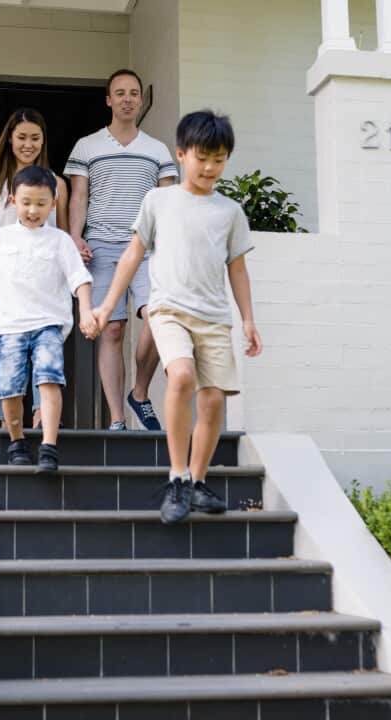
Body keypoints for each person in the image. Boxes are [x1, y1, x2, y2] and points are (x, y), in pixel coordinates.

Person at [91, 110, 262, 524]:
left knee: (213, 399)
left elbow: (237, 269)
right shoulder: (158, 200)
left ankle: (197, 483)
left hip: (214, 318)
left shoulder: (230, 212)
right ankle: (176, 475)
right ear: (182, 155)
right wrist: (105, 304)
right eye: (202, 157)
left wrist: (248, 320)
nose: (210, 167)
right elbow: (133, 254)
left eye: (219, 159)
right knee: (181, 376)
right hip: (168, 310)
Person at [65, 69, 177, 432]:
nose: (127, 99)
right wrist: (74, 236)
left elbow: (169, 203)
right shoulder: (87, 146)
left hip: (147, 248)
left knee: (159, 318)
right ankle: (117, 420)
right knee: (111, 331)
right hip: (100, 247)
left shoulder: (157, 150)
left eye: (133, 93)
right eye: (120, 93)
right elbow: (79, 195)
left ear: (141, 100)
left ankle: (140, 394)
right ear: (108, 100)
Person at [0, 166, 97, 472]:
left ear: (53, 204)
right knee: (10, 388)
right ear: (13, 200)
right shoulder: (2, 238)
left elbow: (80, 278)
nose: (32, 210)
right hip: (11, 325)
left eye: (41, 204)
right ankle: (17, 441)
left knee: (49, 379)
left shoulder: (60, 241)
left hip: (49, 324)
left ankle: (49, 446)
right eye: (26, 202)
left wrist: (86, 310)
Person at [0, 108, 68, 429]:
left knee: (44, 351)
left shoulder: (57, 185)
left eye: (35, 138)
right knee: (6, 352)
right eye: (22, 137)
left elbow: (62, 233)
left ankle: (41, 415)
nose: (28, 144)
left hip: (44, 283)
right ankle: (4, 419)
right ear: (9, 139)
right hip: (4, 282)